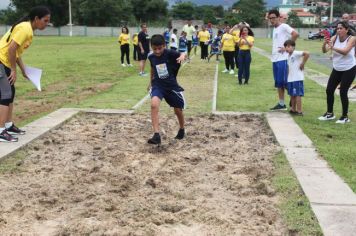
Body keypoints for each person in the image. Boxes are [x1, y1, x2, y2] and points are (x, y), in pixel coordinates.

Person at [0, 6, 50, 142]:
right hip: (1, 61)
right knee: (5, 94)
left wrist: (24, 70)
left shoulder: (28, 30)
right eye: (45, 21)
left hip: (5, 62)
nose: (47, 24)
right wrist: (13, 70)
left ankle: (8, 126)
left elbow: (16, 53)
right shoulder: (25, 29)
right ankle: (0, 131)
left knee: (11, 92)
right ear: (36, 19)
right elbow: (11, 49)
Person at [146, 34, 187, 145]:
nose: (157, 51)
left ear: (164, 45)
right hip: (158, 85)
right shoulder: (151, 57)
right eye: (155, 49)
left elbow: (183, 53)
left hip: (171, 86)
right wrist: (150, 82)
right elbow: (152, 68)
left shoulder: (169, 53)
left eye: (160, 48)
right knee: (154, 105)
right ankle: (156, 135)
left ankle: (182, 128)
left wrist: (182, 56)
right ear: (151, 47)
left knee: (178, 110)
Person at [319, 21, 356, 124]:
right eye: (337, 28)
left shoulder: (352, 38)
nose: (338, 30)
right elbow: (324, 51)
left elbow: (345, 51)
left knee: (343, 92)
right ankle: (329, 114)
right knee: (329, 90)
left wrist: (332, 46)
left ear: (346, 30)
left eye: (341, 28)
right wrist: (325, 43)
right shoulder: (334, 38)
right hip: (337, 68)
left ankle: (345, 116)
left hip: (349, 68)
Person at [268, 9, 299, 111]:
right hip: (275, 59)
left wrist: (286, 47)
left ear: (278, 17)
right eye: (270, 18)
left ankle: (293, 99)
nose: (272, 20)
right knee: (278, 83)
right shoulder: (275, 29)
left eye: (273, 18)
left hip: (283, 59)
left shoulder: (284, 26)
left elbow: (295, 34)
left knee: (284, 82)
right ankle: (281, 104)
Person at [284, 40, 309, 115]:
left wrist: (303, 63)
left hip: (297, 78)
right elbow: (288, 68)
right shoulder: (288, 56)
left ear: (293, 47)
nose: (287, 48)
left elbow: (307, 53)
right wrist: (287, 78)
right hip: (291, 79)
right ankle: (293, 109)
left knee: (298, 94)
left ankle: (299, 111)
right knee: (292, 95)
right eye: (285, 47)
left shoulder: (296, 53)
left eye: (288, 46)